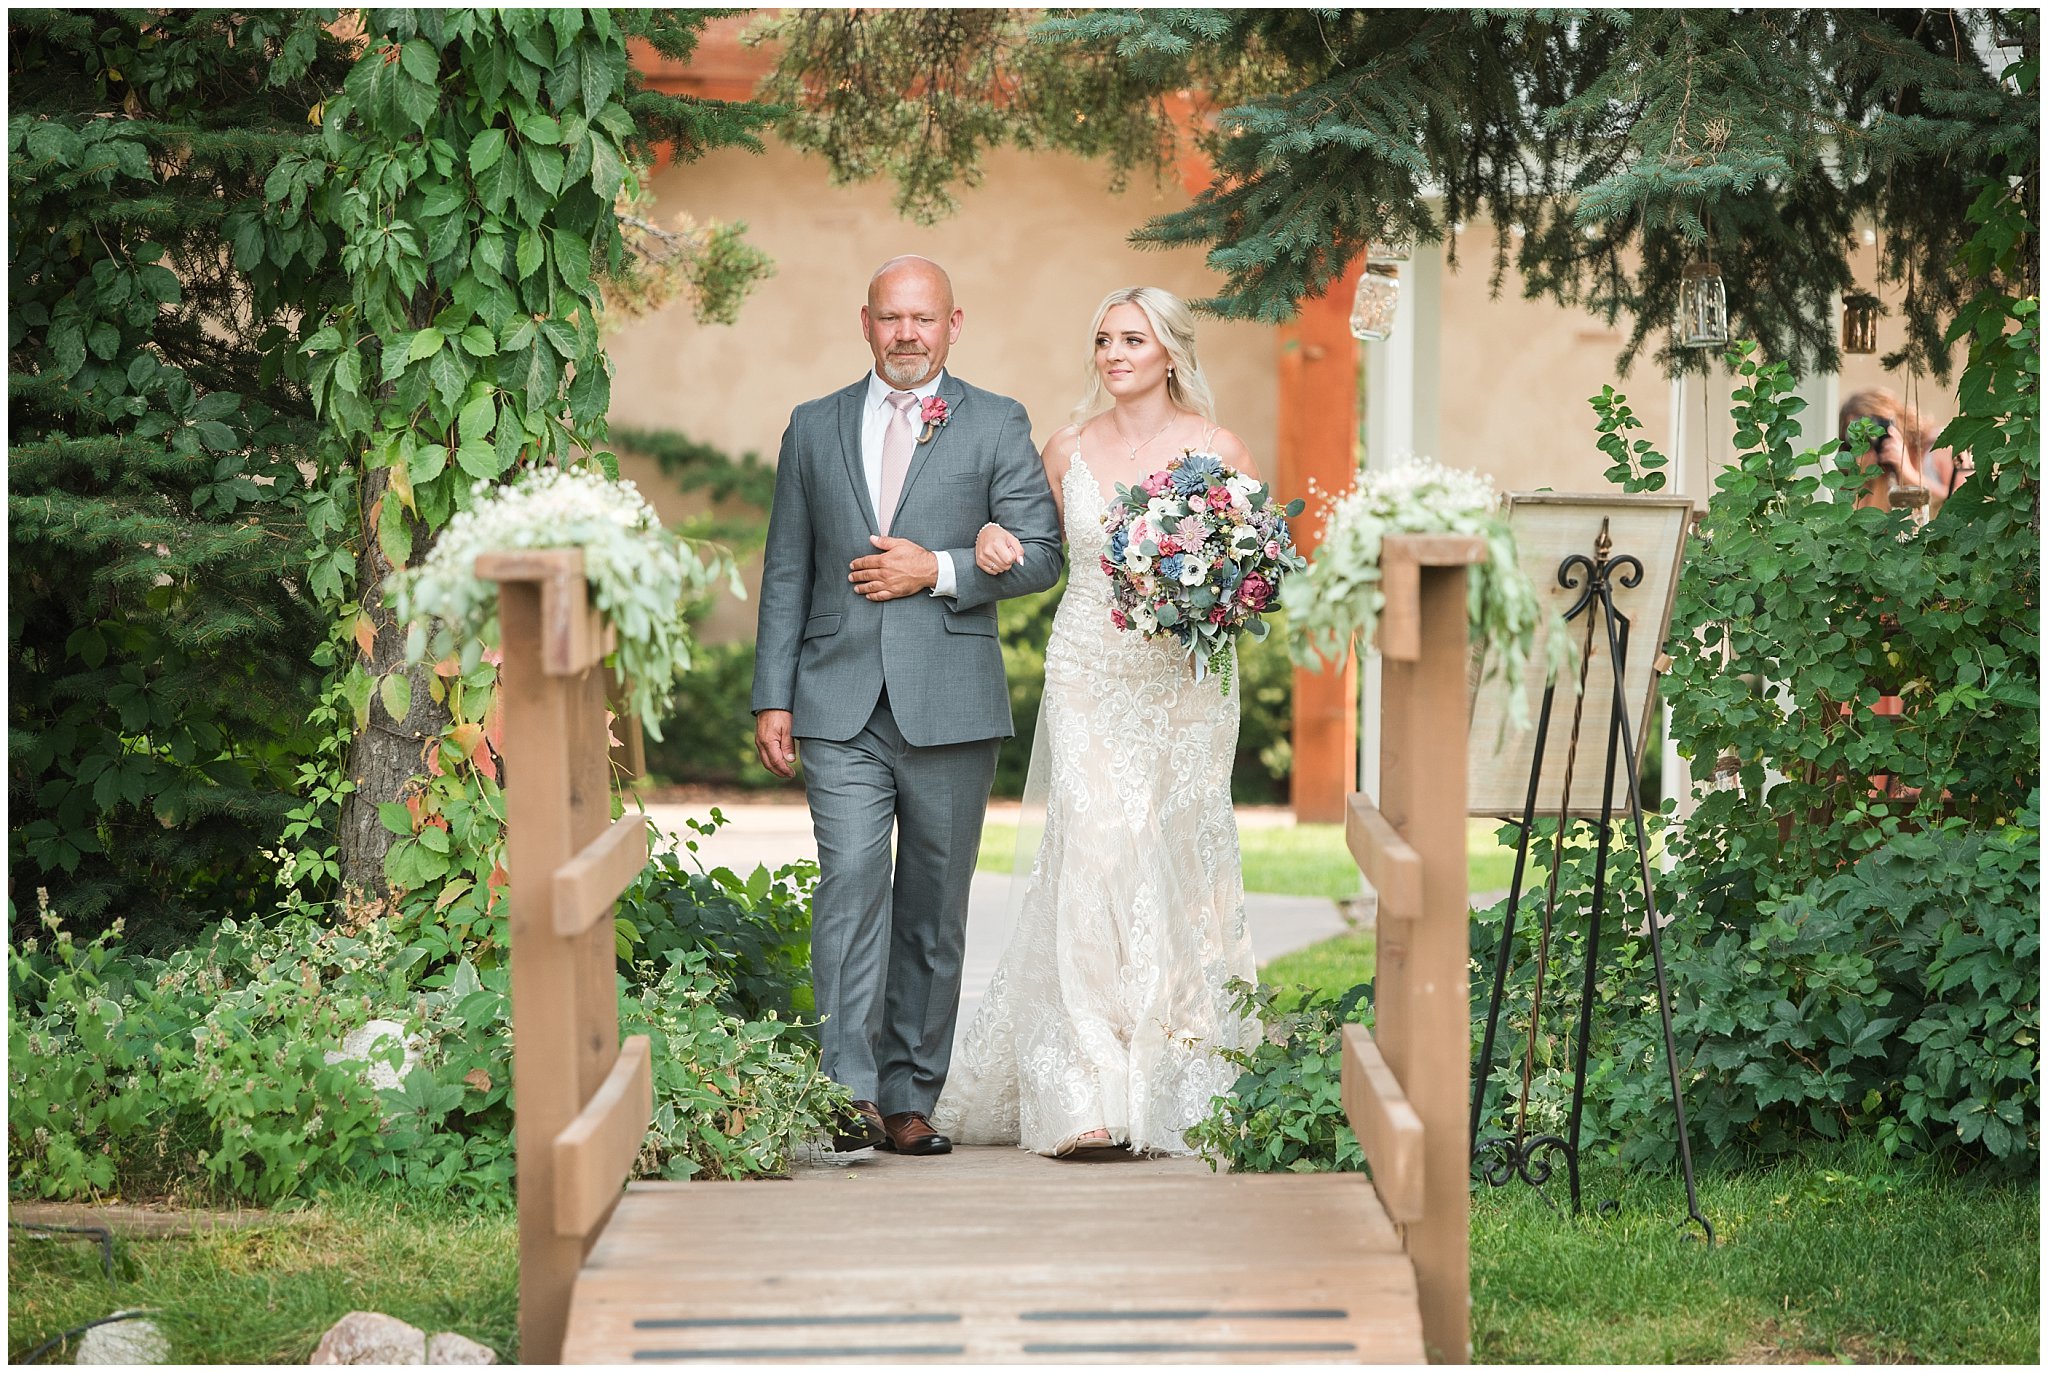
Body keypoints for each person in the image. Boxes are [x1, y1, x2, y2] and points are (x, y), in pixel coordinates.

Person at [931, 286, 1261, 1158]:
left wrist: (1203, 589)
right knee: (1094, 849)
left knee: (1175, 855)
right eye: (1104, 340)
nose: (1114, 353)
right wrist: (994, 545)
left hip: (1184, 684)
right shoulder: (1066, 447)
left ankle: (1173, 1074)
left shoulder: (1217, 449)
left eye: (1132, 339)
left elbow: (1251, 571)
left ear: (1170, 352)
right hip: (1087, 668)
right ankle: (1080, 1086)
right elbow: (1036, 552)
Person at [750, 255, 1064, 1157]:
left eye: (924, 319)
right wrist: (774, 694)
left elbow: (1042, 554)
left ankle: (908, 1095)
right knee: (850, 882)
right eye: (892, 318)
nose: (907, 334)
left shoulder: (997, 422)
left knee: (933, 905)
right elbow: (786, 569)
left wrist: (943, 568)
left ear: (954, 326)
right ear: (866, 322)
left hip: (951, 704)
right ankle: (845, 1089)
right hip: (836, 698)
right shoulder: (812, 427)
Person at [1838, 387, 1927, 521]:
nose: (1863, 443)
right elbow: (1860, 530)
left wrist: (1905, 469)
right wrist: (1862, 480)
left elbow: (1939, 500)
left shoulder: (1922, 451)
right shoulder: (1848, 474)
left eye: (1869, 433)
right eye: (1853, 435)